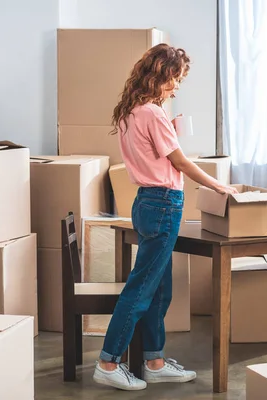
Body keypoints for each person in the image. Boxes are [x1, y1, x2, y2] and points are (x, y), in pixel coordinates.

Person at [93, 44, 237, 391]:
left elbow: (150, 153)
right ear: (159, 74)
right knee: (142, 289)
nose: (176, 86)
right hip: (163, 203)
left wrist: (168, 128)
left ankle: (154, 361)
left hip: (146, 202)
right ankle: (108, 362)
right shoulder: (153, 114)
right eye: (175, 78)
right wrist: (220, 186)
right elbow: (181, 163)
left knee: (158, 289)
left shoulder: (130, 112)